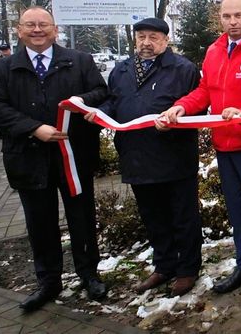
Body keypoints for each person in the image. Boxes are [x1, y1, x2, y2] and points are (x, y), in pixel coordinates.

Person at [0, 6, 108, 312]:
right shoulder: (3, 69)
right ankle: (48, 281)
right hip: (28, 157)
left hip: (73, 155)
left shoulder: (79, 61)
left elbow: (101, 91)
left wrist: (81, 101)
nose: (37, 30)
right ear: (19, 30)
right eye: (30, 25)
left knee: (81, 217)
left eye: (43, 25)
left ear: (55, 30)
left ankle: (89, 274)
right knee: (40, 222)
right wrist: (34, 128)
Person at [159, 0, 241, 307]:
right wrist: (180, 107)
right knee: (238, 211)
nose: (233, 21)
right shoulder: (214, 51)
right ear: (220, 19)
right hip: (223, 145)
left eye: (238, 15)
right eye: (227, 16)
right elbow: (204, 91)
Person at [88, 17, 203, 297]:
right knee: (153, 216)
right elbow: (116, 102)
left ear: (165, 41)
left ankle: (187, 269)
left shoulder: (183, 69)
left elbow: (198, 107)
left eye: (153, 37)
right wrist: (99, 113)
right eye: (141, 37)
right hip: (136, 156)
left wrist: (177, 117)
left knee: (182, 215)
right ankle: (164, 266)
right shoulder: (122, 70)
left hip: (174, 156)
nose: (146, 43)